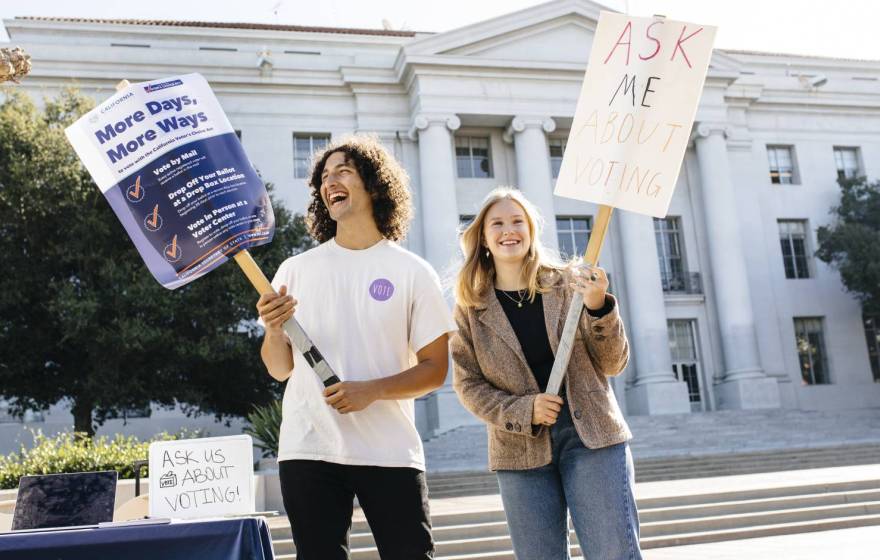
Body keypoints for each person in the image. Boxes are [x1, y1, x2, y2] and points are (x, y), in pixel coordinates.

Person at [256, 135, 455, 560]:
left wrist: (373, 390)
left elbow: (435, 369)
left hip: (390, 450)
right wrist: (274, 330)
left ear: (375, 185)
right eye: (324, 177)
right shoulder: (295, 269)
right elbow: (278, 368)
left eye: (343, 171)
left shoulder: (412, 271)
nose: (331, 182)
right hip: (308, 447)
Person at [450, 187, 641, 560]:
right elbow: (468, 386)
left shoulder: (572, 283)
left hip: (592, 437)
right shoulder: (470, 308)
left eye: (518, 221)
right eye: (498, 223)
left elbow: (613, 363)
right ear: (484, 239)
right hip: (518, 450)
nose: (510, 230)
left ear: (532, 230)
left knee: (613, 552)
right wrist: (525, 410)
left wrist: (598, 306)